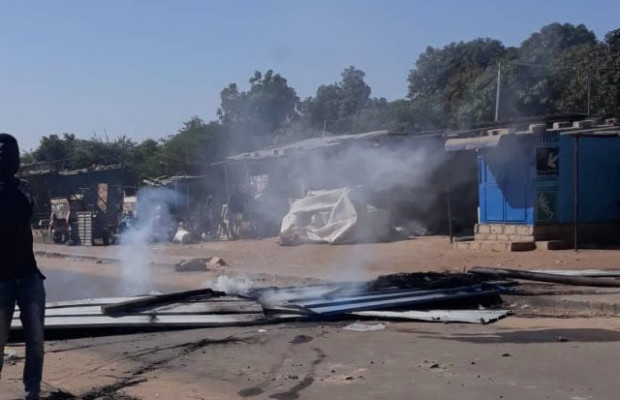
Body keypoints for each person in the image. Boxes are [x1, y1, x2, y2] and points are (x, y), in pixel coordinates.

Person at [0, 134, 46, 400]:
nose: (5, 157)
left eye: (10, 153)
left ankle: (33, 394)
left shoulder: (25, 189)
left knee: (36, 343)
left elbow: (26, 221)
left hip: (29, 277)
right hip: (0, 280)